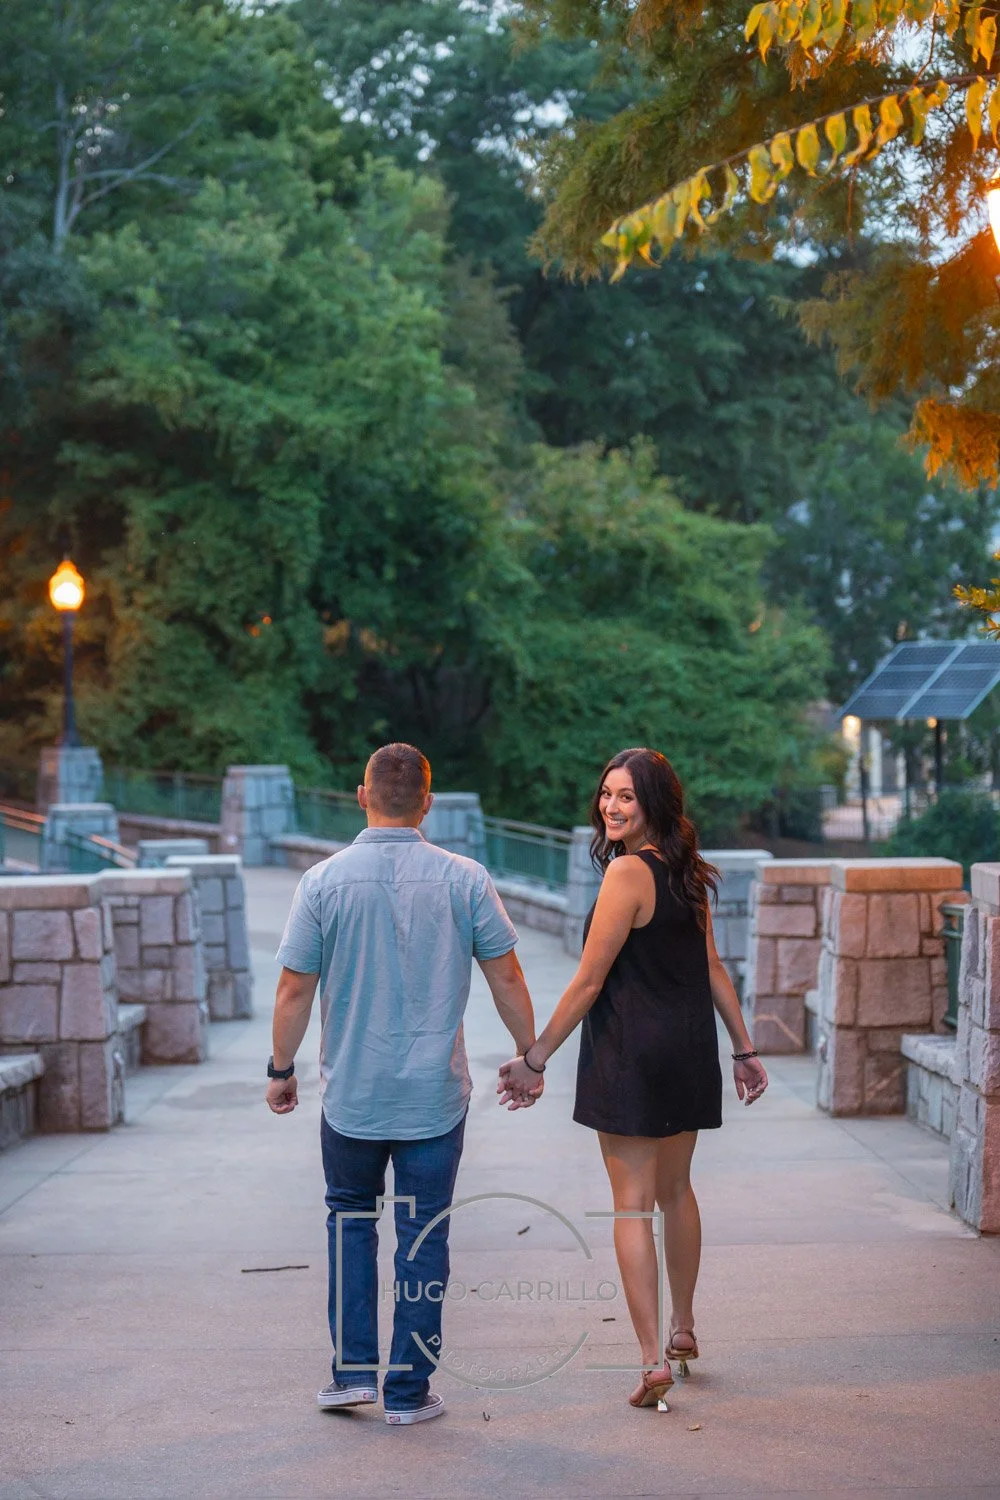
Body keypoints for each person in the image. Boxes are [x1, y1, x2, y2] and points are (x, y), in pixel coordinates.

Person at [266, 742, 539, 1426]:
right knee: (424, 1240)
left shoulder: (323, 881)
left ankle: (353, 1374)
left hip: (352, 1098)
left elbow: (294, 986)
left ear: (362, 796)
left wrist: (281, 1070)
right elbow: (506, 974)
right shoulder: (466, 878)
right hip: (434, 1101)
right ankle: (409, 1394)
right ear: (428, 801)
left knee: (351, 1223)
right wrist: (528, 1057)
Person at [498, 746, 768, 1409]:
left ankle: (650, 1360)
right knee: (677, 1191)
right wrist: (742, 1047)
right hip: (688, 1050)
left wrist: (535, 1060)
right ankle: (684, 1327)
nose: (610, 807)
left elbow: (589, 980)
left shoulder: (625, 875)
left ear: (654, 803)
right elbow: (712, 968)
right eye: (606, 794)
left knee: (632, 1204)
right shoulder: (688, 874)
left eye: (625, 796)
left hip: (630, 1055)